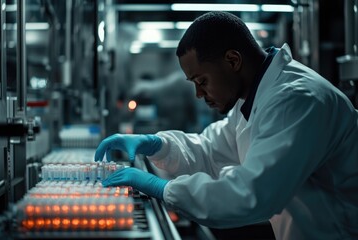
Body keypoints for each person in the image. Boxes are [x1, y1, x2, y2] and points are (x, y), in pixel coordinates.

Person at [95, 11, 358, 240]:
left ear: (233, 60)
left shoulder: (296, 99)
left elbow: (251, 194)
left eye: (202, 81)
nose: (199, 94)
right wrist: (158, 145)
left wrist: (163, 189)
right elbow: (210, 150)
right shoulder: (256, 97)